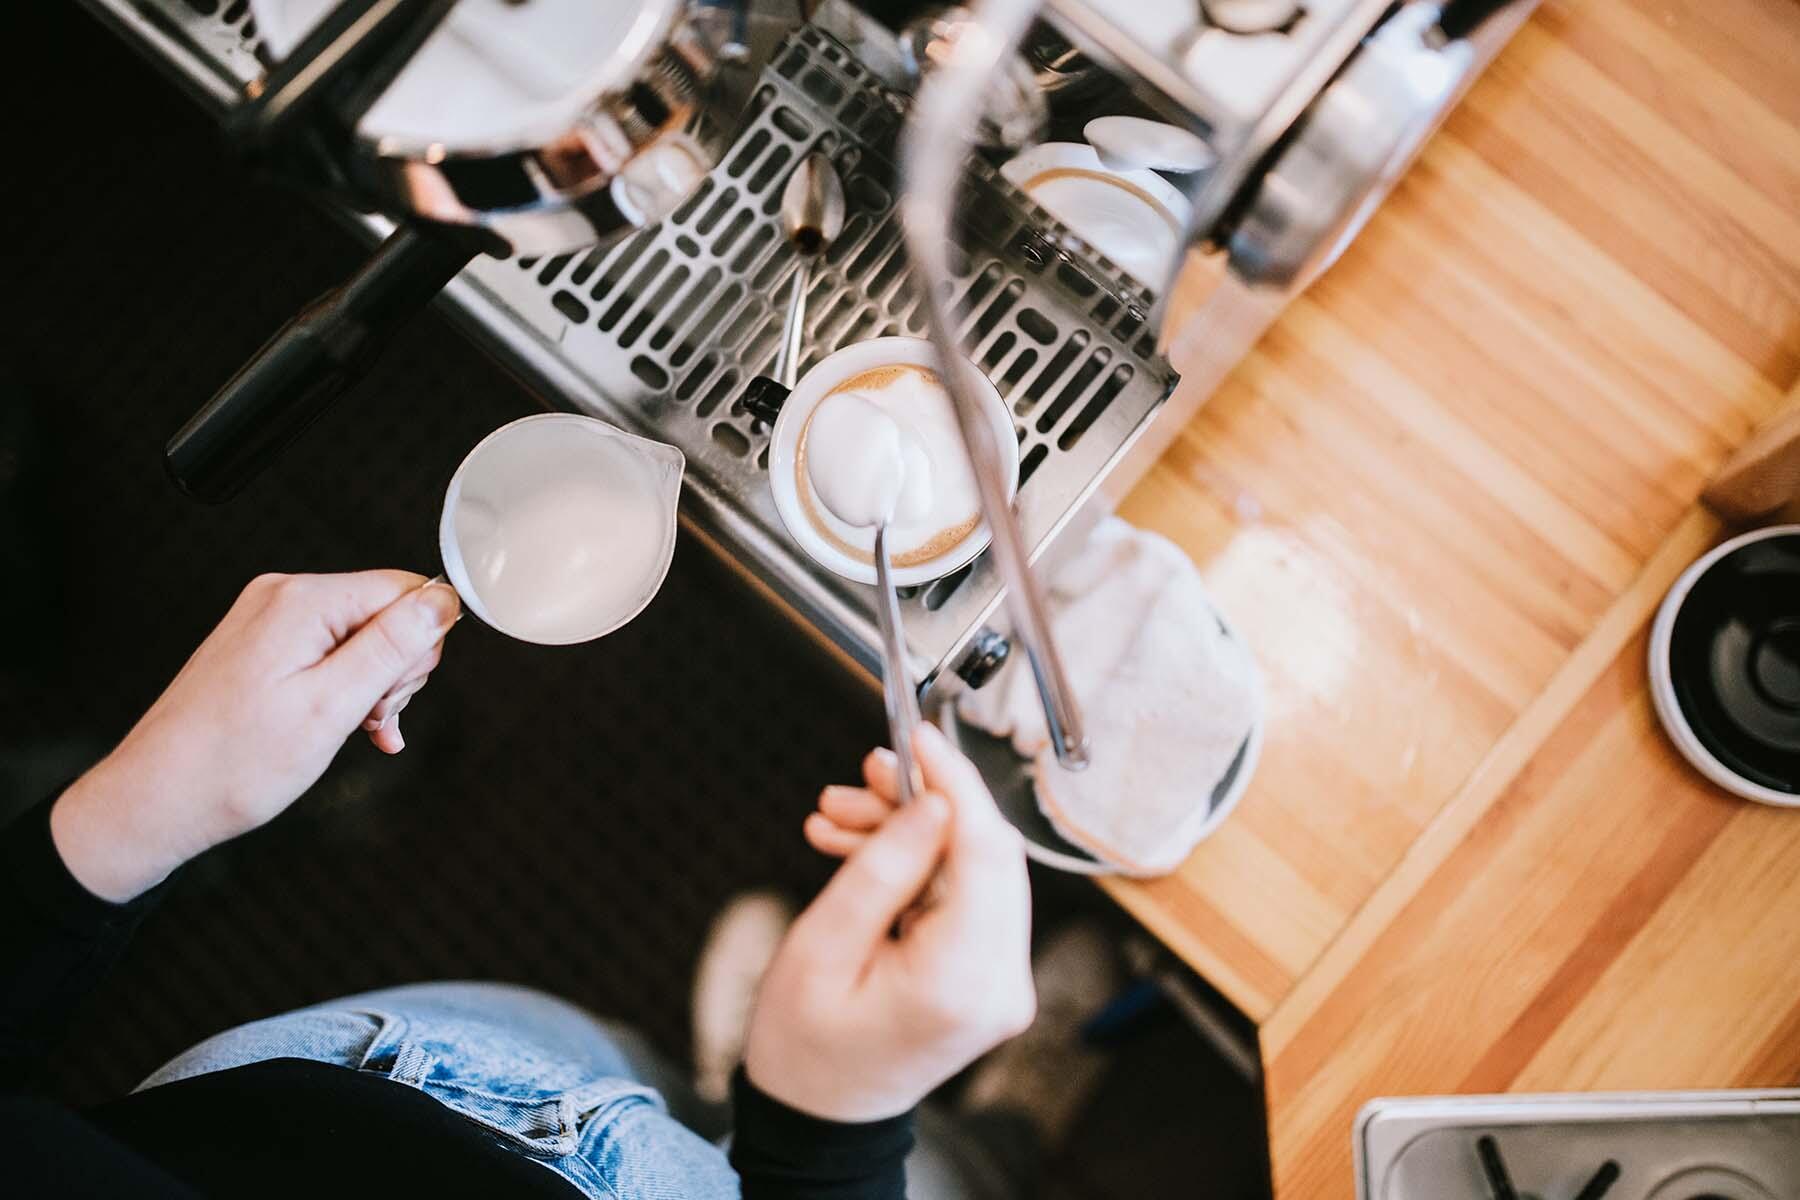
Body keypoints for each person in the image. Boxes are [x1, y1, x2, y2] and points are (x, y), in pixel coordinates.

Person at [0, 569, 1037, 1198]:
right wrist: (831, 1138)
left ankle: (727, 1088)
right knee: (945, 1176)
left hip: (355, 1072)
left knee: (641, 1069)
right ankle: (1012, 1128)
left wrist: (125, 819)